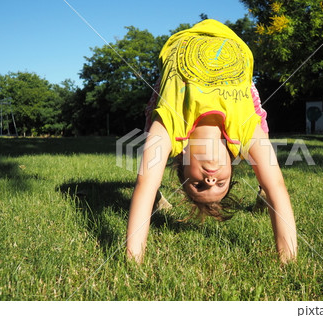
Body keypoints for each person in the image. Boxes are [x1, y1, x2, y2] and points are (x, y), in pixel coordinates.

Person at [126, 19, 297, 264]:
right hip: (232, 50)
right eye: (220, 185)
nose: (210, 181)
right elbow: (277, 187)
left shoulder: (172, 129)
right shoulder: (245, 132)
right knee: (263, 146)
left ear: (181, 163)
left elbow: (145, 183)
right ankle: (261, 190)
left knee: (151, 136)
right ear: (231, 168)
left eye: (198, 185)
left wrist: (133, 260)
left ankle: (158, 198)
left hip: (182, 55)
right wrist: (288, 261)